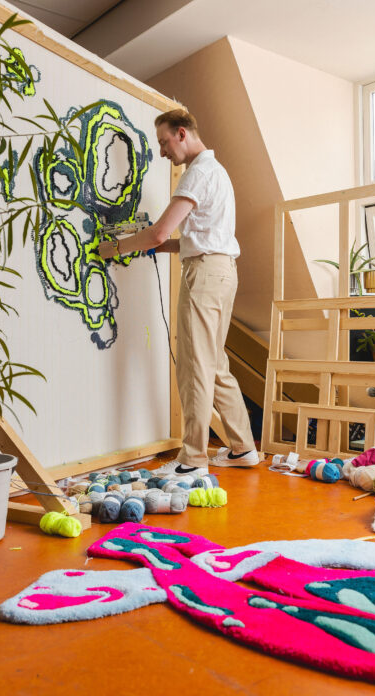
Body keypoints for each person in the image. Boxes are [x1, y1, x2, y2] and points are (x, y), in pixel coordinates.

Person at [98, 109, 259, 476]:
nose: (162, 152)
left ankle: (192, 460)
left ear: (182, 133)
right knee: (215, 364)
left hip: (204, 275)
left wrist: (117, 248)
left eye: (164, 142)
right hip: (220, 271)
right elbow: (191, 237)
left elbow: (157, 232)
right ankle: (243, 448)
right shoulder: (215, 172)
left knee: (195, 366)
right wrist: (156, 247)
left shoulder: (198, 173)